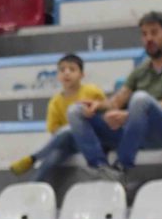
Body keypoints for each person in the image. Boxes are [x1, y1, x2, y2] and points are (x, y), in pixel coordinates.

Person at [67, 11, 162, 182]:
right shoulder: (141, 70)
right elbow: (116, 102)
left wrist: (128, 116)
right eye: (144, 34)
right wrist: (98, 105)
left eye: (154, 32)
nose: (148, 38)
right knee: (76, 110)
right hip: (136, 132)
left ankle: (122, 166)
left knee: (140, 99)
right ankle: (101, 168)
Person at [11, 54, 106, 182]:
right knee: (53, 156)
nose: (67, 73)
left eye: (72, 69)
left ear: (82, 74)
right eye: (62, 70)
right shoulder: (55, 102)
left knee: (70, 128)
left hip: (91, 138)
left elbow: (104, 114)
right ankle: (32, 186)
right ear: (57, 75)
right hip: (69, 142)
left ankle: (33, 158)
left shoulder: (92, 91)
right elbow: (54, 130)